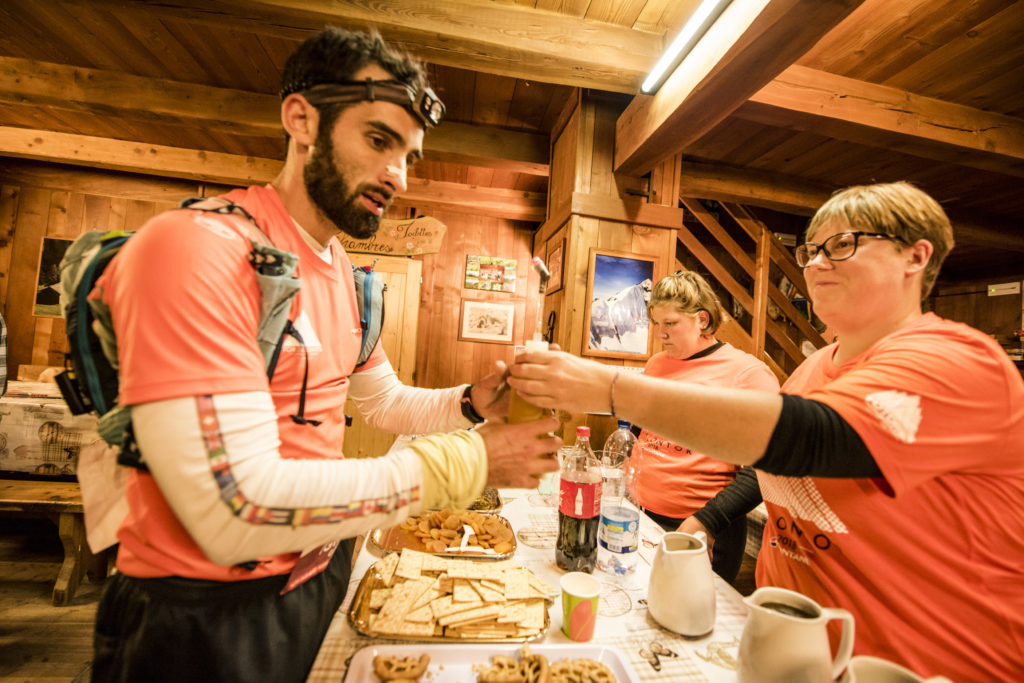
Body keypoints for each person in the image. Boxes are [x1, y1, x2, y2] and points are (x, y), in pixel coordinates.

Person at [89, 27, 559, 683]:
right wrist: (471, 458)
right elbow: (236, 510)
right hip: (203, 612)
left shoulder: (345, 273)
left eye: (409, 155)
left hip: (318, 572)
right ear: (302, 119)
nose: (397, 173)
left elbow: (384, 401)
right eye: (378, 140)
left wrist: (472, 402)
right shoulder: (198, 249)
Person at [509, 181, 1024, 681]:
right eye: (811, 250)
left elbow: (815, 440)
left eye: (844, 245)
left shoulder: (959, 360)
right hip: (795, 649)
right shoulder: (814, 368)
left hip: (923, 664)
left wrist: (610, 387)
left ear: (916, 257)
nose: (818, 263)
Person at [632, 270, 778, 582]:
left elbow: (765, 467)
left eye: (670, 324)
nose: (660, 334)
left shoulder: (748, 374)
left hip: (703, 526)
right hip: (643, 515)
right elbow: (640, 428)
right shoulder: (657, 364)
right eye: (656, 323)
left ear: (702, 319)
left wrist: (706, 522)